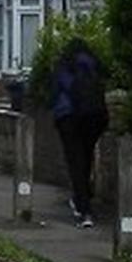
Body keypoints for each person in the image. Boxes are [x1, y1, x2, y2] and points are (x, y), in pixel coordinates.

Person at [48, 38, 108, 227]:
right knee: (86, 157)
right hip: (95, 118)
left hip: (69, 118)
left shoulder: (64, 65)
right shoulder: (94, 64)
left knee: (75, 162)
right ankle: (83, 197)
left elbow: (54, 93)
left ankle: (85, 210)